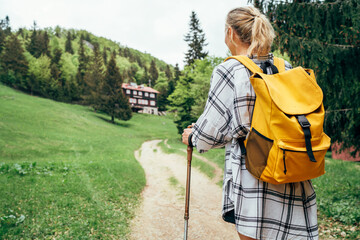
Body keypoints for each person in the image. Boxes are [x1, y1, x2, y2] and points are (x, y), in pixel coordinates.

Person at [182, 6, 318, 240]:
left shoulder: (231, 70)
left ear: (231, 34)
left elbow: (209, 133)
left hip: (256, 176)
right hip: (292, 169)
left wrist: (192, 136)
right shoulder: (285, 67)